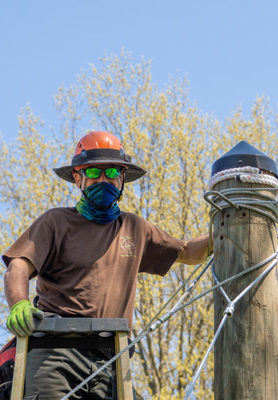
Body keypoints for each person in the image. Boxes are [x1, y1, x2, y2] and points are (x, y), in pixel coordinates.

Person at [2, 131, 210, 399]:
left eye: (112, 171)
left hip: (112, 357)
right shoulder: (55, 222)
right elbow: (18, 265)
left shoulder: (135, 228)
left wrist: (232, 225)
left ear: (122, 178)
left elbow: (188, 252)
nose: (104, 179)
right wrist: (19, 302)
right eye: (94, 172)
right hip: (55, 353)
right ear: (78, 178)